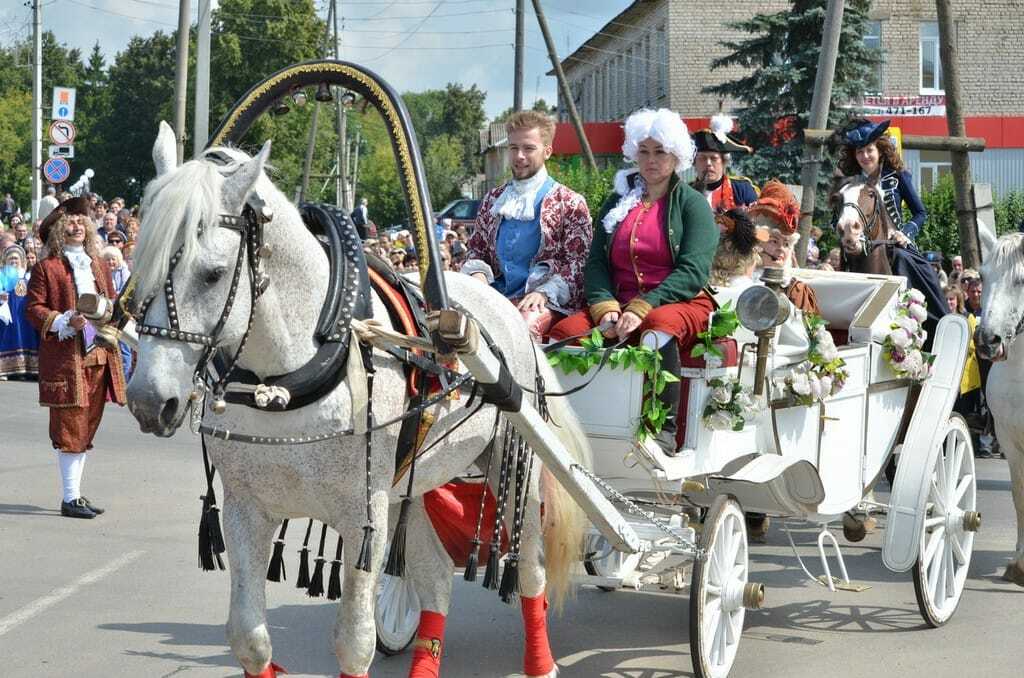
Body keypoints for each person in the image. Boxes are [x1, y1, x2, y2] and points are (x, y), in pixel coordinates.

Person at [548, 108, 718, 456]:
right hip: (617, 302)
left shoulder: (692, 205)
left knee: (657, 328)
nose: (652, 160)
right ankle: (576, 428)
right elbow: (595, 262)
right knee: (564, 335)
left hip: (679, 301)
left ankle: (662, 431)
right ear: (633, 153)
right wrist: (605, 307)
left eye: (660, 152)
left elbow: (692, 271)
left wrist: (643, 306)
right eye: (644, 151)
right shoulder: (617, 201)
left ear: (676, 156)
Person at [25, 197, 127, 519]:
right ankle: (70, 498)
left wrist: (108, 310)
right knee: (70, 428)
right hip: (67, 358)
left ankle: (77, 495)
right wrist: (63, 320)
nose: (77, 227)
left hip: (98, 354)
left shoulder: (96, 265)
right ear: (57, 230)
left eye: (81, 222)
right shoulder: (46, 268)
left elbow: (111, 303)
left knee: (87, 427)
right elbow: (33, 309)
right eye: (70, 223)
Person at [463, 110, 593, 341]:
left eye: (529, 148)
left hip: (545, 302)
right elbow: (477, 249)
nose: (519, 156)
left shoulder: (570, 202)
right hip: (496, 295)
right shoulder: (493, 200)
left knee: (519, 331)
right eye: (514, 148)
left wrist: (545, 291)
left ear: (547, 152)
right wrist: (477, 276)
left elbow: (579, 265)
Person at [836, 118, 926, 245]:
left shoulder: (898, 176)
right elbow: (836, 218)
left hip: (896, 245)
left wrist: (905, 233)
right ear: (854, 156)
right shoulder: (849, 183)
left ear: (880, 151)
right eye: (860, 152)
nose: (865, 156)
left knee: (917, 265)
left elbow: (920, 213)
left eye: (869, 150)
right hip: (858, 246)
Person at [747, 181, 821, 315]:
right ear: (757, 245)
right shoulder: (739, 284)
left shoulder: (797, 292)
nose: (781, 248)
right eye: (774, 241)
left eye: (786, 244)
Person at [690, 113, 758, 212]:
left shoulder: (742, 189)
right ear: (695, 163)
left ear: (723, 162)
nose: (708, 163)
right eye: (703, 158)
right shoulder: (685, 193)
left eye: (714, 158)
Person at [0, 245, 40, 378]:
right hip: (8, 313)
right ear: (6, 260)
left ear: (22, 260)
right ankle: (7, 370)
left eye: (16, 259)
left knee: (25, 337)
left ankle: (27, 369)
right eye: (11, 258)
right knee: (8, 337)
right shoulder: (2, 274)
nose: (14, 261)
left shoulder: (27, 276)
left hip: (24, 314)